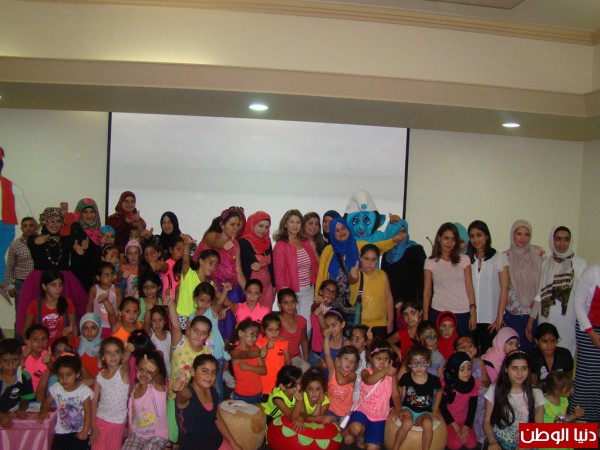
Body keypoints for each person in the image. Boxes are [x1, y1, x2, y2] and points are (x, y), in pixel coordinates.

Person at [317, 217, 399, 332]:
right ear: (332, 233)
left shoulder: (358, 245)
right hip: (331, 301)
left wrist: (393, 241)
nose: (341, 232)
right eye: (337, 230)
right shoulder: (328, 250)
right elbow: (321, 275)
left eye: (343, 228)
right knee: (332, 333)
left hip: (352, 303)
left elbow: (377, 247)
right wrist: (318, 296)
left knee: (349, 333)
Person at [16, 207, 88, 338]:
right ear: (44, 222)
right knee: (38, 314)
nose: (54, 224)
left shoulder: (67, 240)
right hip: (40, 281)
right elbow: (32, 242)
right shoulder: (33, 239)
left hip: (63, 281)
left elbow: (79, 247)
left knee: (64, 315)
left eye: (58, 221)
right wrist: (38, 240)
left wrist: (81, 249)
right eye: (51, 221)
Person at [526, 226, 587, 356]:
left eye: (566, 239)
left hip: (569, 317)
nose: (562, 243)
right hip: (546, 317)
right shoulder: (546, 263)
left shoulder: (580, 264)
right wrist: (531, 319)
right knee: (546, 352)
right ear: (552, 240)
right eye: (558, 239)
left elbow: (584, 295)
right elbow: (540, 294)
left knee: (565, 353)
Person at [195, 208, 247, 341]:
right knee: (213, 330)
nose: (235, 228)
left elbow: (239, 273)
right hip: (213, 291)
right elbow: (214, 244)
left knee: (232, 331)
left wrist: (249, 291)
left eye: (238, 225)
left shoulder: (236, 244)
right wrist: (224, 245)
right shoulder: (211, 237)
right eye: (232, 224)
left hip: (233, 291)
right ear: (222, 225)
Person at [172, 354, 241, 450]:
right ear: (193, 372)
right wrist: (181, 388)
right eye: (204, 371)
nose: (209, 376)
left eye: (213, 373)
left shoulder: (212, 391)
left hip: (215, 441)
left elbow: (217, 418)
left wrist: (233, 443)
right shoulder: (187, 395)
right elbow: (184, 395)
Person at [423, 222, 477, 338]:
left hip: (462, 312)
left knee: (463, 346)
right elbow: (427, 291)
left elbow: (470, 287)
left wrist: (473, 312)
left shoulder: (465, 259)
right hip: (438, 311)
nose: (449, 242)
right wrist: (426, 317)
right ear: (439, 238)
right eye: (446, 238)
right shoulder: (430, 261)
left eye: (453, 239)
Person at [483, 350, 545, 450]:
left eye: (524, 368)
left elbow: (539, 426)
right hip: (499, 439)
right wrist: (492, 441)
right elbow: (487, 422)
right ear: (506, 369)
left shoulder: (536, 393)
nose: (519, 373)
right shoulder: (495, 389)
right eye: (514, 368)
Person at [466, 220, 509, 355]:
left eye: (479, 235)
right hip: (471, 318)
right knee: (472, 357)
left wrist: (499, 317)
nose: (475, 239)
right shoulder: (467, 260)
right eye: (472, 236)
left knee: (490, 357)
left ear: (487, 236)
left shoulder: (499, 258)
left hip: (491, 319)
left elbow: (505, 288)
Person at [344, 340, 396, 450]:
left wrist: (399, 409)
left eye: (386, 359)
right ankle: (359, 435)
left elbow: (396, 395)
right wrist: (385, 371)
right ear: (371, 358)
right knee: (354, 430)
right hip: (362, 411)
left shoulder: (392, 375)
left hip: (379, 417)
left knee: (372, 448)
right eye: (379, 359)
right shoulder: (365, 372)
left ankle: (366, 434)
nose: (382, 362)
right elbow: (369, 380)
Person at [273, 209, 318, 334]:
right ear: (285, 224)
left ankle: (304, 348)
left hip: (308, 290)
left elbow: (315, 266)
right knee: (292, 327)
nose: (295, 225)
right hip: (292, 292)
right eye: (291, 222)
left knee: (307, 327)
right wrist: (284, 297)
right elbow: (279, 274)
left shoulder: (306, 242)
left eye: (298, 222)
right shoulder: (280, 246)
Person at [503, 219, 544, 353]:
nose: (523, 238)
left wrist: (532, 318)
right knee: (514, 353)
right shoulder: (505, 256)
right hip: (512, 314)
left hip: (534, 313)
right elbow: (503, 288)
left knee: (533, 353)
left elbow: (542, 287)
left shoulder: (539, 253)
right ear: (513, 235)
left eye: (527, 234)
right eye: (519, 234)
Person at [37, 353, 94, 450]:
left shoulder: (84, 390)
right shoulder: (56, 388)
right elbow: (46, 403)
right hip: (61, 431)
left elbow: (88, 412)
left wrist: (85, 431)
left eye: (69, 375)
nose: (64, 379)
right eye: (60, 375)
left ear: (77, 374)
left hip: (79, 432)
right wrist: (43, 411)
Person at [391, 344, 442, 450]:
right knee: (407, 423)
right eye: (415, 363)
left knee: (428, 424)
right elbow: (399, 386)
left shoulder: (433, 380)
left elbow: (439, 391)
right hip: (408, 409)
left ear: (428, 363)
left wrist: (435, 409)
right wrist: (400, 403)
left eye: (422, 363)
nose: (419, 367)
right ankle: (395, 448)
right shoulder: (406, 377)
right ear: (409, 364)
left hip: (424, 412)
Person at [185, 282, 228, 402]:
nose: (205, 304)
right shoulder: (191, 317)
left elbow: (219, 303)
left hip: (216, 355)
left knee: (217, 387)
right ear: (195, 299)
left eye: (208, 301)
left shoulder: (212, 311)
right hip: (199, 357)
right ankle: (204, 407)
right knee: (200, 385)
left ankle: (217, 408)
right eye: (202, 300)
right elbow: (187, 334)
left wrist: (225, 291)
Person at [570, 263, 600, 423]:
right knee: (588, 374)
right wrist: (590, 331)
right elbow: (578, 302)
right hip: (587, 328)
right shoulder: (592, 272)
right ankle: (582, 417)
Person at [122, 351, 168, 450]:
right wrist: (129, 436)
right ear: (136, 369)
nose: (144, 374)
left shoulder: (157, 387)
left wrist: (154, 372)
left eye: (149, 371)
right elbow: (132, 415)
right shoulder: (134, 388)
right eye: (141, 369)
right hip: (137, 434)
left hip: (157, 437)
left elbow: (159, 379)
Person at [381, 219, 427, 319]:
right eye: (396, 232)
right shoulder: (386, 253)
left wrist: (408, 304)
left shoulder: (416, 250)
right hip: (392, 307)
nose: (400, 236)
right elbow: (385, 283)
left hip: (412, 308)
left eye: (403, 231)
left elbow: (422, 282)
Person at [90, 337, 131, 450]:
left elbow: (125, 361)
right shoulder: (100, 376)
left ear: (121, 355)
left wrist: (128, 350)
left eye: (116, 352)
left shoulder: (123, 372)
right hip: (100, 419)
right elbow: (94, 401)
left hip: (118, 422)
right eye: (108, 353)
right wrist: (93, 425)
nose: (113, 356)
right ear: (103, 356)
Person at [0, 147, 33, 281]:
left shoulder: (8, 184)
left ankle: (3, 281)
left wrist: (31, 218)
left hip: (6, 225)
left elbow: (21, 197)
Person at [349, 244, 394, 338]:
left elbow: (388, 298)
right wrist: (353, 275)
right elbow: (352, 279)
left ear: (377, 260)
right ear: (360, 258)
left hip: (380, 324)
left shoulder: (382, 274)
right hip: (359, 324)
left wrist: (390, 320)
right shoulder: (356, 273)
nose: (369, 263)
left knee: (379, 348)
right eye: (366, 259)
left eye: (373, 260)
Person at [22, 270, 77, 346]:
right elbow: (26, 330)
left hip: (62, 348)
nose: (58, 288)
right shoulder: (35, 304)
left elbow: (74, 328)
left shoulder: (68, 302)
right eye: (53, 285)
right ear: (44, 286)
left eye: (60, 285)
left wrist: (71, 336)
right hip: (41, 348)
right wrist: (30, 346)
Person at [454, 335, 490, 446]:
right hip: (461, 397)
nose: (466, 349)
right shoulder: (454, 364)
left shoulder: (479, 362)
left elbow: (486, 381)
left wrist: (481, 385)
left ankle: (481, 435)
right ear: (456, 352)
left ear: (475, 350)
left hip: (477, 395)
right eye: (462, 347)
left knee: (483, 395)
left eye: (469, 346)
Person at [440, 352, 479, 450]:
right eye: (462, 369)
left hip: (464, 420)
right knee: (456, 444)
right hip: (448, 420)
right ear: (454, 370)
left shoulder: (473, 383)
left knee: (472, 443)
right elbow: (442, 408)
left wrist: (467, 425)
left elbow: (472, 407)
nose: (467, 372)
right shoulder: (446, 384)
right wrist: (454, 425)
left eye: (469, 369)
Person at [239, 211, 275, 309]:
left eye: (266, 227)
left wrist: (274, 286)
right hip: (252, 292)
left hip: (267, 289)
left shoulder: (267, 241)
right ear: (252, 224)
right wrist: (254, 263)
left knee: (266, 317)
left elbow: (271, 266)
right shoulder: (243, 242)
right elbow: (249, 256)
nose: (263, 230)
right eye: (260, 226)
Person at [2, 216, 37, 318]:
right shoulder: (15, 244)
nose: (28, 228)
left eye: (31, 225)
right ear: (21, 228)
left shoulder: (42, 241)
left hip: (38, 282)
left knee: (38, 312)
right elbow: (9, 266)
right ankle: (19, 330)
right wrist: (9, 285)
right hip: (21, 283)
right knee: (21, 314)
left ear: (35, 227)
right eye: (25, 226)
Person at [230, 319, 267, 404]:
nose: (254, 338)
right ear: (240, 333)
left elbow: (264, 370)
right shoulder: (235, 352)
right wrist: (259, 352)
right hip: (241, 395)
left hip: (257, 394)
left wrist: (249, 367)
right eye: (252, 334)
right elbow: (247, 354)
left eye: (256, 336)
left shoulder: (256, 348)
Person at [70, 198, 103, 291]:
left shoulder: (99, 231)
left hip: (95, 275)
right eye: (85, 212)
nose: (89, 215)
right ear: (80, 213)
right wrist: (81, 246)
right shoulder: (76, 227)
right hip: (80, 274)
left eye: (92, 212)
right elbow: (74, 243)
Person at [0, 338, 34, 429]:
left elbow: (25, 398)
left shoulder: (24, 377)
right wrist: (1, 415)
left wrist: (21, 410)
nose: (10, 365)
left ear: (20, 358)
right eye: (5, 361)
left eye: (14, 360)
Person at [322, 337, 358, 422]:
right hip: (330, 411)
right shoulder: (332, 371)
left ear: (355, 365)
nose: (349, 363)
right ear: (339, 359)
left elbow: (341, 381)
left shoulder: (352, 375)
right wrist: (326, 337)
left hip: (346, 414)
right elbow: (327, 354)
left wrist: (337, 367)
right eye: (346, 359)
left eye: (352, 361)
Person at [256, 313, 291, 396]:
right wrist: (266, 350)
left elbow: (288, 362)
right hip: (263, 385)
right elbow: (258, 365)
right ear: (263, 329)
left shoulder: (283, 343)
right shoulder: (259, 344)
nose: (274, 333)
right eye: (270, 330)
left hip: (278, 385)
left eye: (277, 330)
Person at [278, 288, 311, 373]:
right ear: (279, 304)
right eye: (286, 303)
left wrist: (305, 358)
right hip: (279, 359)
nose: (290, 306)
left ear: (296, 303)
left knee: (307, 370)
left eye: (292, 302)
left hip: (296, 359)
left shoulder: (302, 321)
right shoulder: (275, 322)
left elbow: (304, 339)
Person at [87, 262, 122, 339]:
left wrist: (119, 322)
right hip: (98, 325)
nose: (110, 277)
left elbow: (119, 308)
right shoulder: (94, 289)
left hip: (112, 325)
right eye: (106, 275)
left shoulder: (116, 290)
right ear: (98, 277)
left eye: (112, 274)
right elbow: (89, 306)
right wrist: (88, 319)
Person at [72, 313, 103, 383]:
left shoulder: (105, 345)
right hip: (82, 384)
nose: (89, 332)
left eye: (93, 328)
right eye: (85, 328)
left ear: (99, 328)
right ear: (81, 329)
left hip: (101, 384)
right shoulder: (77, 342)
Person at [144, 305, 172, 380]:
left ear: (165, 321)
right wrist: (148, 311)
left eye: (160, 320)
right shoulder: (151, 335)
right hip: (157, 372)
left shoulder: (170, 335)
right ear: (150, 322)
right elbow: (146, 324)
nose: (157, 323)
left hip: (170, 370)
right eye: (154, 321)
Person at [22, 323, 50, 393]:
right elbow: (12, 373)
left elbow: (54, 372)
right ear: (27, 341)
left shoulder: (47, 354)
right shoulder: (20, 352)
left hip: (38, 393)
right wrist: (23, 357)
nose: (40, 342)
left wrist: (49, 362)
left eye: (44, 339)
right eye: (35, 339)